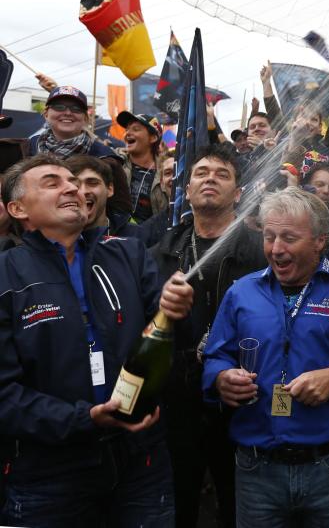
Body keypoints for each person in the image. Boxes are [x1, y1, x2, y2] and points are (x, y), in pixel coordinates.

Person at [0, 154, 193, 525]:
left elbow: (173, 337)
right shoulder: (6, 277)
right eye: (53, 182)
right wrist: (84, 419)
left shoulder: (128, 254)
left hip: (142, 462)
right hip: (48, 476)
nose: (72, 187)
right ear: (18, 208)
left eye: (72, 180)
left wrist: (176, 307)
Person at [202, 187, 329, 527]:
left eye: (289, 238)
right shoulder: (241, 291)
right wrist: (220, 378)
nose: (276, 249)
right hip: (257, 470)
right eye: (269, 236)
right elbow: (216, 355)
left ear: (319, 240)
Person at [152, 143, 266, 528]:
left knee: (239, 504)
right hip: (177, 402)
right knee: (178, 503)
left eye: (221, 174)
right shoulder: (159, 254)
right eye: (201, 173)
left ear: (238, 193)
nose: (209, 179)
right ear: (186, 191)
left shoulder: (262, 252)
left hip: (244, 396)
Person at [29, 86, 132, 215]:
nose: (67, 112)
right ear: (46, 114)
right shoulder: (26, 148)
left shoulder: (106, 158)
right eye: (59, 107)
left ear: (86, 118)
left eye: (76, 109)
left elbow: (121, 210)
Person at [65, 154, 140, 238]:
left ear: (110, 189)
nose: (83, 191)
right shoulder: (52, 239)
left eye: (92, 183)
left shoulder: (135, 236)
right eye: (75, 185)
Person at [118, 111, 166, 223]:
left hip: (153, 238)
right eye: (127, 130)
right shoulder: (116, 162)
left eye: (135, 129)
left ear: (153, 138)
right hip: (118, 236)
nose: (128, 133)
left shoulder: (167, 172)